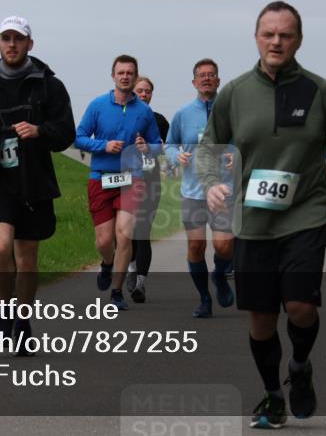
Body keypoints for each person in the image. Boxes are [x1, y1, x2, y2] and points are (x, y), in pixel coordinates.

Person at [197, 1, 326, 429]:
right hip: (252, 221)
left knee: (300, 307)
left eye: (285, 34)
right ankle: (273, 394)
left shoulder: (320, 91)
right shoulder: (234, 93)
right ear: (256, 38)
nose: (276, 41)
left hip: (305, 217)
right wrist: (212, 182)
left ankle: (301, 365)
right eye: (268, 33)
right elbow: (208, 148)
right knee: (260, 319)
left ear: (299, 40)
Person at [0, 15, 75, 351]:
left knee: (28, 257)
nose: (11, 44)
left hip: (33, 181)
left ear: (29, 44)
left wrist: (39, 131)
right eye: (5, 38)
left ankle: (22, 320)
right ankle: (5, 311)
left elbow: (66, 133)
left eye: (18, 39)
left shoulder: (49, 85)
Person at [75, 55, 162, 310]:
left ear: (135, 77)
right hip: (100, 178)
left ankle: (116, 292)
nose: (125, 76)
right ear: (113, 75)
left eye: (130, 73)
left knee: (124, 235)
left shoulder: (144, 111)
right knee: (104, 241)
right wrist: (104, 145)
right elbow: (78, 137)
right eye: (121, 72)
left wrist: (147, 147)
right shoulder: (97, 105)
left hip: (131, 179)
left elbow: (158, 145)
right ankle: (106, 263)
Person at [166, 58, 234, 318]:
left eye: (211, 75)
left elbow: (248, 142)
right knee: (196, 247)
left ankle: (219, 275)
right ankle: (204, 299)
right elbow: (170, 144)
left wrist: (237, 155)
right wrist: (176, 157)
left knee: (225, 246)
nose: (207, 78)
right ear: (194, 82)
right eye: (202, 75)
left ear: (218, 81)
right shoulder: (183, 114)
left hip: (224, 190)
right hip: (193, 192)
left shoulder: (231, 111)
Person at [125, 76, 169, 303]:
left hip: (151, 181)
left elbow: (165, 149)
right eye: (140, 91)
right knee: (127, 230)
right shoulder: (123, 117)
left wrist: (151, 149)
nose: (144, 94)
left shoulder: (159, 121)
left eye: (147, 91)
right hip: (126, 180)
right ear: (133, 91)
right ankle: (131, 268)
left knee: (143, 230)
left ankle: (141, 282)